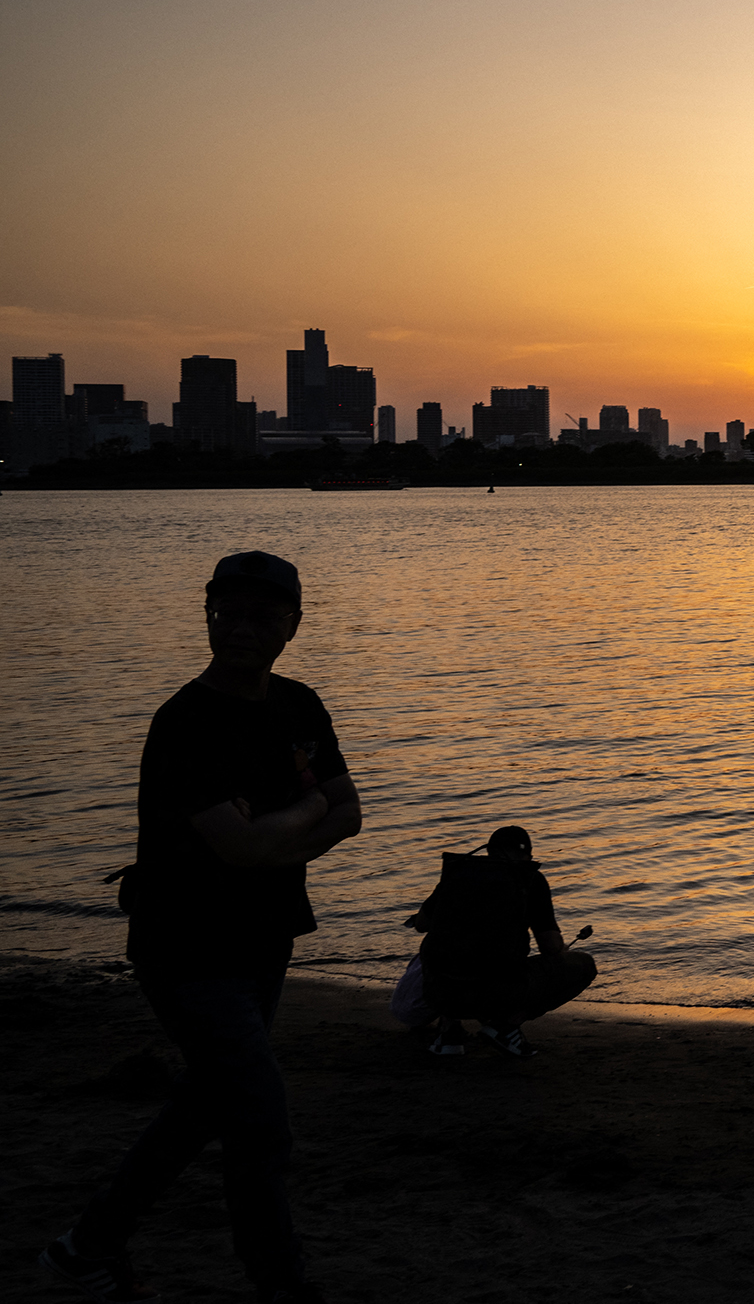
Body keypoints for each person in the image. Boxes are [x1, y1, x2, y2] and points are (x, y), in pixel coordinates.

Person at [43, 552, 362, 1304]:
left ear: (292, 624)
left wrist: (293, 823)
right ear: (208, 614)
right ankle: (280, 1282)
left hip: (266, 935)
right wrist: (309, 811)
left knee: (211, 1102)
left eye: (262, 614)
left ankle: (86, 1246)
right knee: (259, 1116)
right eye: (228, 611)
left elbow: (350, 813)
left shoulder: (298, 706)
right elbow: (249, 843)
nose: (242, 627)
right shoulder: (185, 723)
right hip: (184, 945)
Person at [410, 825, 597, 1058]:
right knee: (584, 965)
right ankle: (504, 1027)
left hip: (440, 992)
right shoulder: (529, 879)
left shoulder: (457, 873)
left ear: (490, 851)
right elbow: (549, 947)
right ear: (526, 854)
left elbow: (421, 924)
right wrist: (562, 950)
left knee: (453, 947)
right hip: (496, 995)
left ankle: (449, 1033)